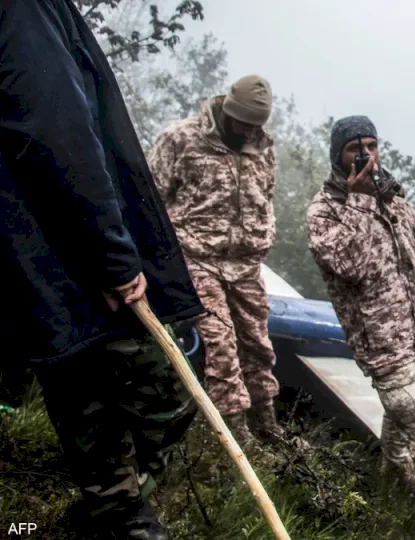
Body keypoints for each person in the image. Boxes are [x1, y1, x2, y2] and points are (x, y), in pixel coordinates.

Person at [0, 2, 206, 537]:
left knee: (75, 372)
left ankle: (113, 509)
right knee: (160, 390)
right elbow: (53, 127)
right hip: (60, 246)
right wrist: (110, 254)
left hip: (36, 248)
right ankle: (115, 512)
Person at [306, 115, 415, 540]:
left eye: (371, 144)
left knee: (401, 423)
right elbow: (351, 266)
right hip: (380, 344)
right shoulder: (325, 210)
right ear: (338, 154)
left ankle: (392, 481)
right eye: (354, 148)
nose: (365, 154)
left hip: (413, 331)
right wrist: (360, 200)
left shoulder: (397, 201)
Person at [148, 75, 289, 448]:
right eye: (243, 122)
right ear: (227, 110)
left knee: (258, 345)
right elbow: (149, 197)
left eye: (255, 124)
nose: (247, 130)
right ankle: (235, 435)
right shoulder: (181, 139)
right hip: (196, 258)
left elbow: (267, 196)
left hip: (245, 266)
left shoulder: (263, 148)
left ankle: (267, 425)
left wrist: (264, 234)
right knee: (220, 342)